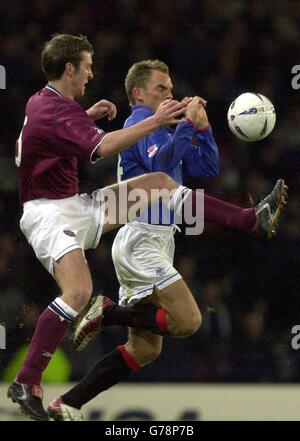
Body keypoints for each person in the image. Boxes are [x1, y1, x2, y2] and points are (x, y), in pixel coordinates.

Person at [47, 60, 288, 421]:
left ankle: (68, 402)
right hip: (139, 237)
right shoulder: (137, 125)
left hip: (162, 240)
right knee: (189, 321)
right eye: (163, 89)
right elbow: (162, 168)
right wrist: (186, 125)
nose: (171, 95)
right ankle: (108, 311)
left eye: (171, 88)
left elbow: (206, 169)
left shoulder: (164, 129)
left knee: (144, 350)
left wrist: (202, 129)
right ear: (139, 93)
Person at [7, 35, 210, 421]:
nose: (91, 73)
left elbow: (48, 142)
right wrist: (160, 122)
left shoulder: (52, 105)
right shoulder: (65, 109)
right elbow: (104, 150)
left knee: (146, 348)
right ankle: (30, 377)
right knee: (83, 292)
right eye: (86, 65)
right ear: (70, 68)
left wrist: (84, 118)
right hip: (65, 215)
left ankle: (67, 401)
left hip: (74, 209)